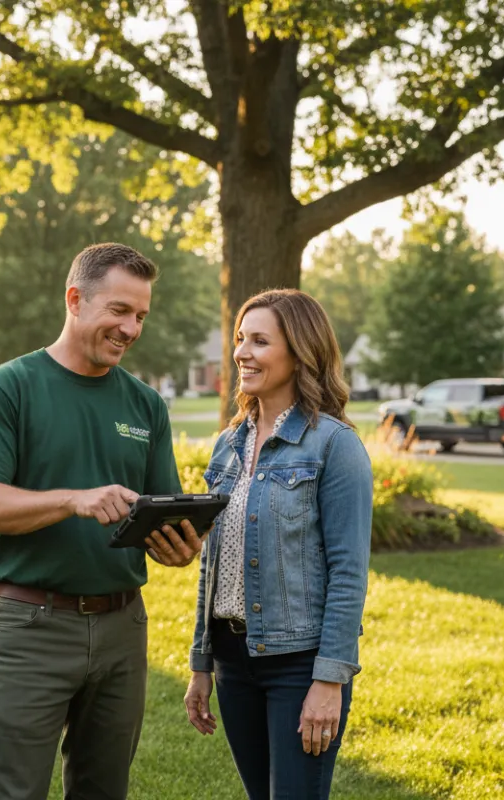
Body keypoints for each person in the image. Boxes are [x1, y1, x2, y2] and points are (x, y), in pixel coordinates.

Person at [0, 242, 206, 800]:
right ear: (75, 299)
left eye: (140, 316)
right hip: (30, 626)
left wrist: (178, 546)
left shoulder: (146, 406)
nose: (131, 328)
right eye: (119, 310)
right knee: (12, 790)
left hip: (122, 629)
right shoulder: (8, 386)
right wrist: (73, 500)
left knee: (103, 791)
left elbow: (159, 512)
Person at [171, 289, 372, 800]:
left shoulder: (334, 445)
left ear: (300, 352)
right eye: (241, 339)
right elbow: (211, 563)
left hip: (299, 664)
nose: (242, 352)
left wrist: (329, 680)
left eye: (260, 341)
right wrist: (202, 662)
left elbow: (349, 573)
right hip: (233, 661)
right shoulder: (228, 444)